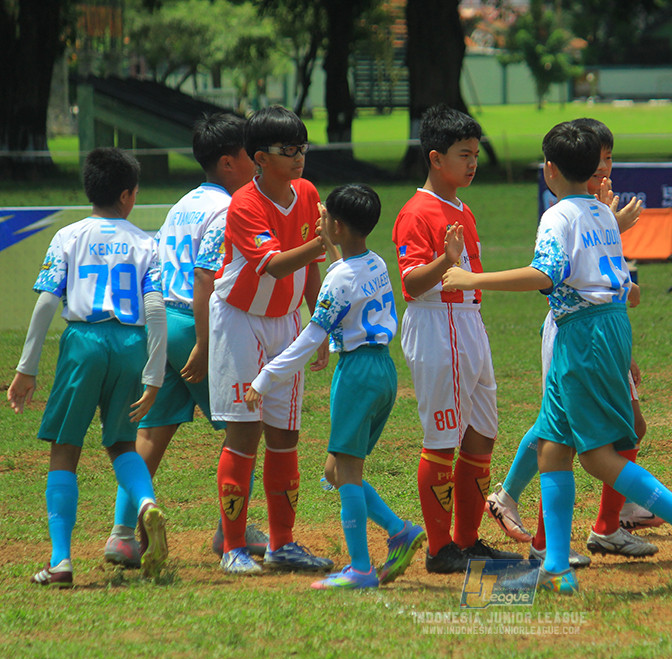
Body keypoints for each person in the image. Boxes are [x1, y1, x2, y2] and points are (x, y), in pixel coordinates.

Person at [442, 121, 672, 596]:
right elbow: (615, 281)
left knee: (597, 458)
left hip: (583, 334)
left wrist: (472, 280)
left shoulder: (558, 216)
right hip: (602, 327)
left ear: (550, 170)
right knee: (555, 447)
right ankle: (556, 565)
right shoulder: (601, 213)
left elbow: (544, 275)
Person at [485, 117, 657, 564]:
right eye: (598, 163)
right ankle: (548, 533)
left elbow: (618, 287)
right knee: (557, 435)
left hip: (602, 330)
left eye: (608, 161)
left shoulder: (596, 210)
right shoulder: (570, 213)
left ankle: (597, 527)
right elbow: (554, 278)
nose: (604, 171)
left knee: (591, 431)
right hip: (574, 331)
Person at [101, 112, 266, 569]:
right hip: (197, 324)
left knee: (152, 431)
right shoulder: (229, 207)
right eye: (250, 156)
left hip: (163, 325)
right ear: (230, 162)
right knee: (244, 427)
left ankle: (121, 535)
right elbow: (204, 279)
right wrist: (204, 342)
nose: (257, 164)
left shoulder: (183, 204)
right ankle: (228, 530)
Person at [245, 184, 427, 589]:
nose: (319, 220)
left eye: (325, 217)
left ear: (339, 227)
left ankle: (361, 567)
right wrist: (331, 248)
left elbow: (311, 336)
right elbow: (347, 281)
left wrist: (264, 377)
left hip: (357, 375)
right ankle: (399, 531)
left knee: (346, 471)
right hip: (384, 372)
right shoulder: (376, 262)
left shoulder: (339, 279)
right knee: (335, 469)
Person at [7, 147, 169, 587]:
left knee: (65, 447)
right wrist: (154, 374)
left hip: (85, 341)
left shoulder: (68, 236)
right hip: (132, 343)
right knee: (120, 442)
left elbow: (45, 303)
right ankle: (146, 504)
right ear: (128, 196)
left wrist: (27, 368)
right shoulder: (146, 243)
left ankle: (61, 562)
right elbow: (155, 308)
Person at [391, 105, 519, 574]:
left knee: (481, 434)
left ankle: (467, 538)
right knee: (442, 438)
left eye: (475, 154)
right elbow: (411, 284)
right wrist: (446, 260)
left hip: (469, 325)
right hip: (436, 323)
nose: (472, 163)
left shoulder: (461, 208)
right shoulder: (416, 212)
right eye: (463, 154)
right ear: (435, 158)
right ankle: (439, 548)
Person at [209, 105, 334, 575]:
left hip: (285, 320)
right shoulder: (244, 203)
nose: (299, 157)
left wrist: (319, 325)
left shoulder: (305, 192)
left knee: (286, 434)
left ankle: (283, 544)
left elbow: (309, 270)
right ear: (260, 157)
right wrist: (323, 242)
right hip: (240, 319)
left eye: (303, 147)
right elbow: (276, 264)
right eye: (288, 150)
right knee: (245, 431)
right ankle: (234, 547)